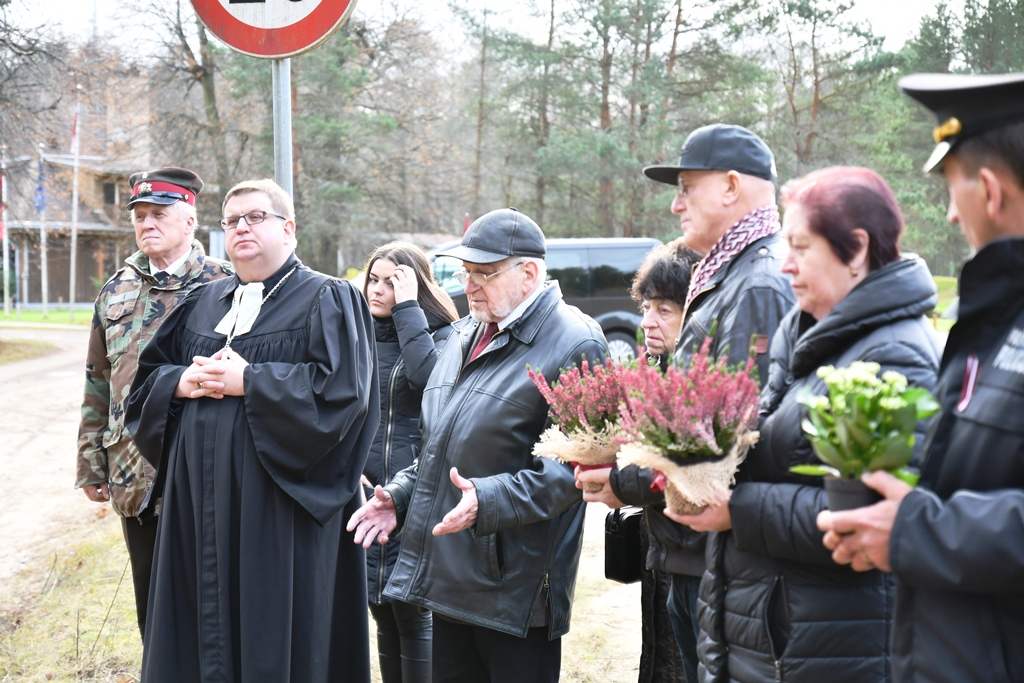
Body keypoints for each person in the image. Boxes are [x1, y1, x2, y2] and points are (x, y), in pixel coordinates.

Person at [664, 166, 941, 682]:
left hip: (828, 647)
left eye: (801, 247)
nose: (784, 264)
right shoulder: (804, 330)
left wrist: (737, 510)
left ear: (856, 249)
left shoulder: (896, 355)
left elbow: (879, 518)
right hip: (769, 633)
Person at [125, 178, 379, 682]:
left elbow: (345, 393)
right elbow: (143, 386)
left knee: (275, 623)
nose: (242, 227)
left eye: (255, 217)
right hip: (199, 508)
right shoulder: (204, 302)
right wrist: (182, 382)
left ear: (288, 229)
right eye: (232, 220)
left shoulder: (328, 297)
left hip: (279, 509)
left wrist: (252, 381)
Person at [817, 73, 1024, 682]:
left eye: (950, 190)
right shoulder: (992, 312)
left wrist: (915, 531)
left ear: (988, 190)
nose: (951, 216)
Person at [348, 208, 608, 683]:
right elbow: (439, 441)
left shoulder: (576, 342)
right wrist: (401, 496)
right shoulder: (466, 331)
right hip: (447, 575)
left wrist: (487, 499)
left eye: (484, 274)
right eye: (466, 273)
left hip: (513, 588)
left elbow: (574, 471)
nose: (469, 286)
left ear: (528, 273)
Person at [579, 124, 795, 682]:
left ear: (729, 186)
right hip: (707, 553)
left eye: (685, 187)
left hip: (733, 558)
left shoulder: (759, 283)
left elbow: (732, 446)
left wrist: (623, 481)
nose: (676, 205)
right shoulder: (731, 275)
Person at [75, 166, 232, 639]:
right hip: (132, 470)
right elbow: (96, 380)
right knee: (152, 609)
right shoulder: (116, 290)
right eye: (140, 215)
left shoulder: (223, 283)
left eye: (159, 213)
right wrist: (90, 464)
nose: (147, 224)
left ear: (189, 218)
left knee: (211, 604)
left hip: (202, 469)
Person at [361, 241, 457, 682]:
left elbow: (427, 380)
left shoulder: (442, 336)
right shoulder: (356, 333)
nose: (377, 290)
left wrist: (406, 310)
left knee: (411, 610)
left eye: (391, 282)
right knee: (380, 605)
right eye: (373, 280)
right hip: (366, 495)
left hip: (415, 492)